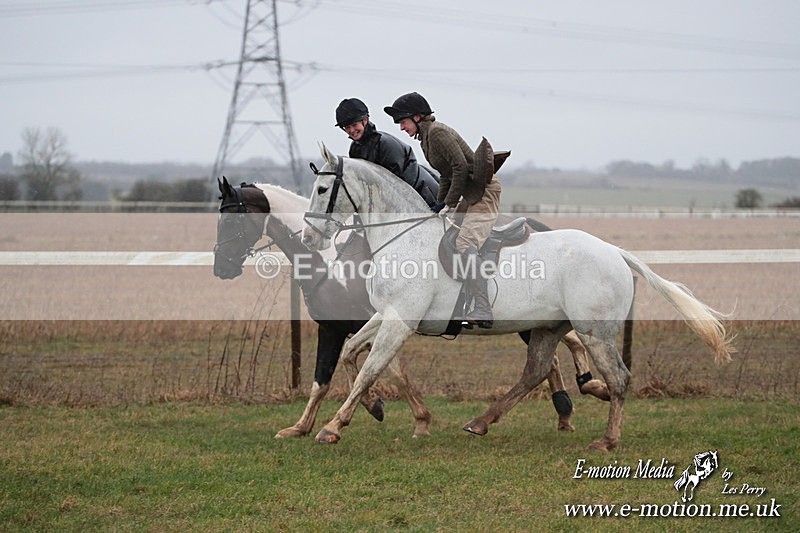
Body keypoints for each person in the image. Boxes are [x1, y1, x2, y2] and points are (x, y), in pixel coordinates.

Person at [384, 92, 501, 328]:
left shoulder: (436, 133)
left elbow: (459, 167)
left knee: (465, 243)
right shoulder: (426, 137)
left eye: (403, 122)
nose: (401, 127)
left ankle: (482, 308)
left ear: (417, 117)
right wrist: (439, 204)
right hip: (469, 193)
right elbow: (447, 175)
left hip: (483, 192)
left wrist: (448, 202)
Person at [335, 97, 439, 209]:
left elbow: (400, 185)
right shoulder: (354, 149)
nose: (351, 131)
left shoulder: (386, 144)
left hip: (427, 198)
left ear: (365, 120)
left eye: (354, 125)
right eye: (347, 127)